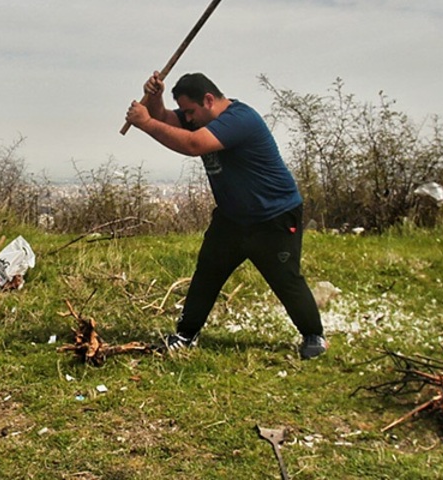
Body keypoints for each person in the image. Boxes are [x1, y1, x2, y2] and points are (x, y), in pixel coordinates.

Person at [125, 72, 327, 360]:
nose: (189, 118)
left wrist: (145, 123)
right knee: (207, 273)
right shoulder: (201, 118)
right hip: (232, 217)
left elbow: (193, 144)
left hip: (274, 216)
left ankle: (313, 336)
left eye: (191, 112)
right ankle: (186, 335)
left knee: (286, 278)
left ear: (208, 99)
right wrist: (155, 99)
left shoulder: (240, 119)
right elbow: (168, 121)